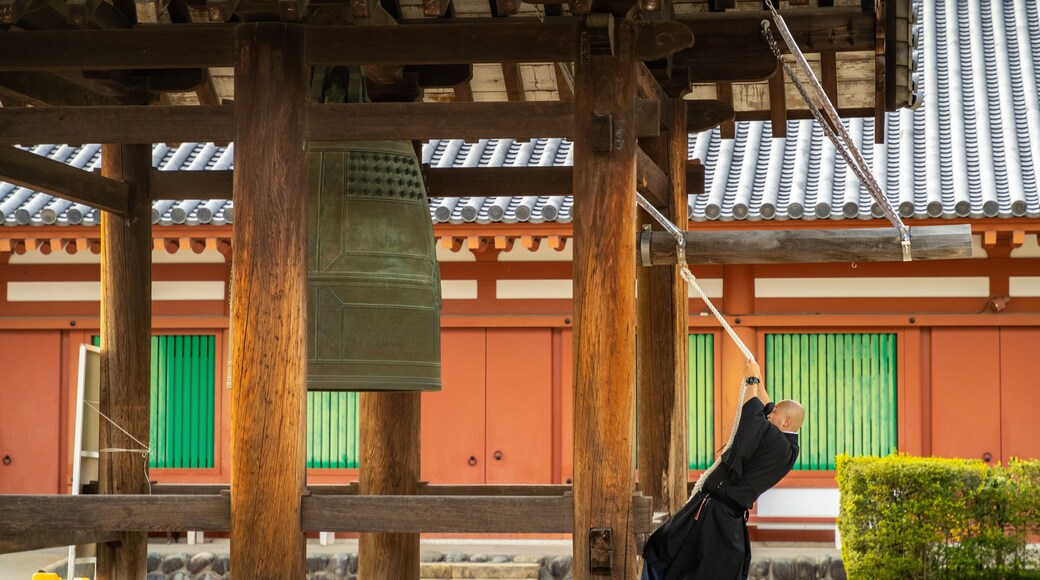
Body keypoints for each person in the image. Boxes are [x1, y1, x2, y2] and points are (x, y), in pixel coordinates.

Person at [641, 360, 804, 580]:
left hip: (715, 515)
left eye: (774, 413)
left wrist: (752, 381)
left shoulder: (775, 441)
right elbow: (765, 409)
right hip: (721, 515)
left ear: (785, 422)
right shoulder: (790, 447)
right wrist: (758, 378)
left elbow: (753, 421)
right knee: (670, 553)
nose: (769, 414)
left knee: (667, 557)